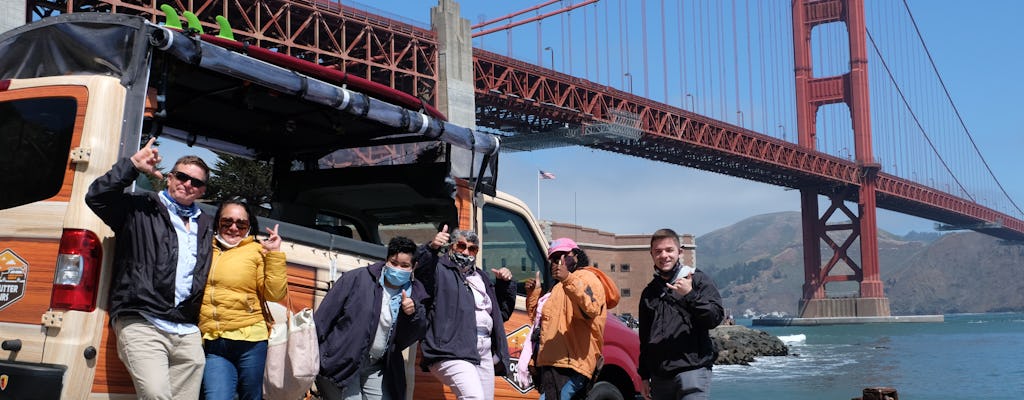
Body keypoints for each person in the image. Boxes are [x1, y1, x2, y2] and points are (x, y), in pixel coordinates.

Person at [85, 137, 214, 399]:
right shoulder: (140, 208)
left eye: (196, 182)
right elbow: (97, 197)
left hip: (185, 328)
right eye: (181, 176)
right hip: (143, 319)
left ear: (202, 191)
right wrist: (132, 165)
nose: (187, 184)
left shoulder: (206, 223)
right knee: (156, 395)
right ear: (169, 178)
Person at [314, 236, 429, 400]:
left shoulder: (416, 293)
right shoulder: (357, 279)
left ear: (414, 267)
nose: (398, 269)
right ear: (386, 260)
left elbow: (407, 339)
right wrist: (312, 356)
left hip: (377, 365)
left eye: (404, 266)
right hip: (343, 362)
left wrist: (413, 314)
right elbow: (323, 318)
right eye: (393, 263)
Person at [199, 199, 288, 400]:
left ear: (249, 227)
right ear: (217, 223)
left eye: (241, 224)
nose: (233, 228)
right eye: (227, 222)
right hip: (215, 340)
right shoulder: (204, 249)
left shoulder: (257, 250)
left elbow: (275, 294)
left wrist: (274, 255)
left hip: (251, 341)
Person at [415, 225, 516, 400]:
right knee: (473, 397)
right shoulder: (438, 268)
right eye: (461, 246)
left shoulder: (481, 277)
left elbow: (501, 313)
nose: (466, 252)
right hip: (450, 349)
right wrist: (431, 248)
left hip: (482, 351)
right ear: (451, 246)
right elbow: (419, 271)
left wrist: (504, 285)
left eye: (472, 248)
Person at [638, 228, 724, 400]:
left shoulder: (697, 279)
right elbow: (645, 338)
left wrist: (690, 294)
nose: (664, 255)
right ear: (652, 254)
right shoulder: (649, 292)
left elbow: (714, 317)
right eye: (658, 251)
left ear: (680, 252)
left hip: (693, 370)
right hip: (660, 376)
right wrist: (644, 376)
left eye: (669, 250)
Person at [533, 238, 608, 400]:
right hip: (551, 363)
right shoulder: (558, 286)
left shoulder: (588, 277)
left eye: (564, 255)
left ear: (576, 255)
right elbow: (541, 322)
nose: (558, 262)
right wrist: (534, 294)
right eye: (554, 258)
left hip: (574, 363)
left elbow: (591, 308)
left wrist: (567, 279)